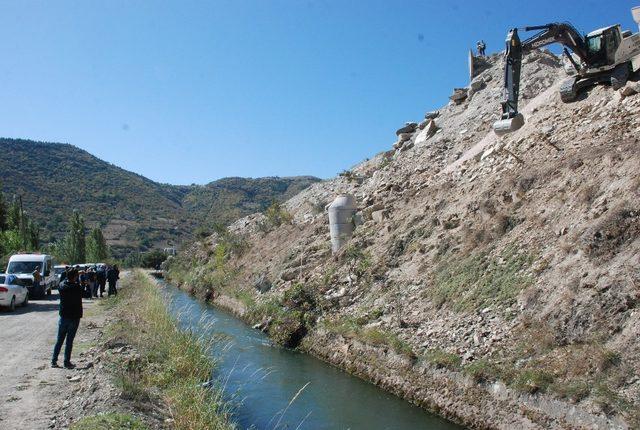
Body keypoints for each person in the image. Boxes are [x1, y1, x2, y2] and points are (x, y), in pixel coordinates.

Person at [52, 268, 83, 369]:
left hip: (64, 317)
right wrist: (81, 283)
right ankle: (66, 362)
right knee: (69, 341)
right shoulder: (77, 287)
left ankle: (54, 361)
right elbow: (87, 294)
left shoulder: (61, 286)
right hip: (74, 317)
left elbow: (64, 282)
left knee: (59, 340)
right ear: (75, 277)